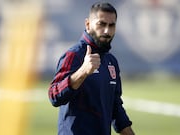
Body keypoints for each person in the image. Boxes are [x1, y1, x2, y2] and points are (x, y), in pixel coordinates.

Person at [48, 2, 135, 135]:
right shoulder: (74, 55)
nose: (107, 31)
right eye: (101, 24)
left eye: (111, 25)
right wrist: (83, 71)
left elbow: (115, 107)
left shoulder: (111, 61)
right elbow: (54, 96)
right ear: (88, 24)